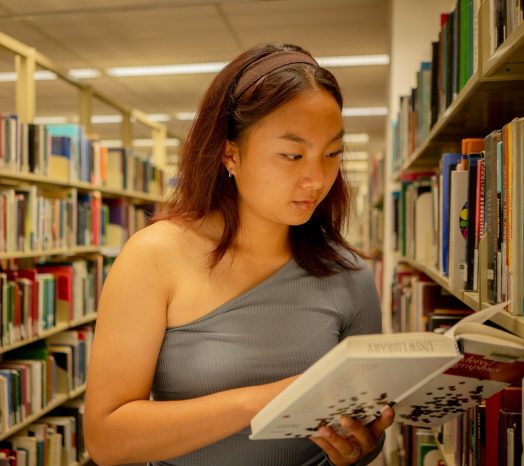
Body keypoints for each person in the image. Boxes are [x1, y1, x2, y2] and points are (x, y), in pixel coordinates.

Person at [84, 43, 394, 466]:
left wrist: (359, 447)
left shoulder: (349, 274)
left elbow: (363, 433)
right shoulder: (155, 256)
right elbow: (106, 440)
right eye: (292, 155)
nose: (316, 178)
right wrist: (261, 403)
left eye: (332, 154)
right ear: (231, 153)